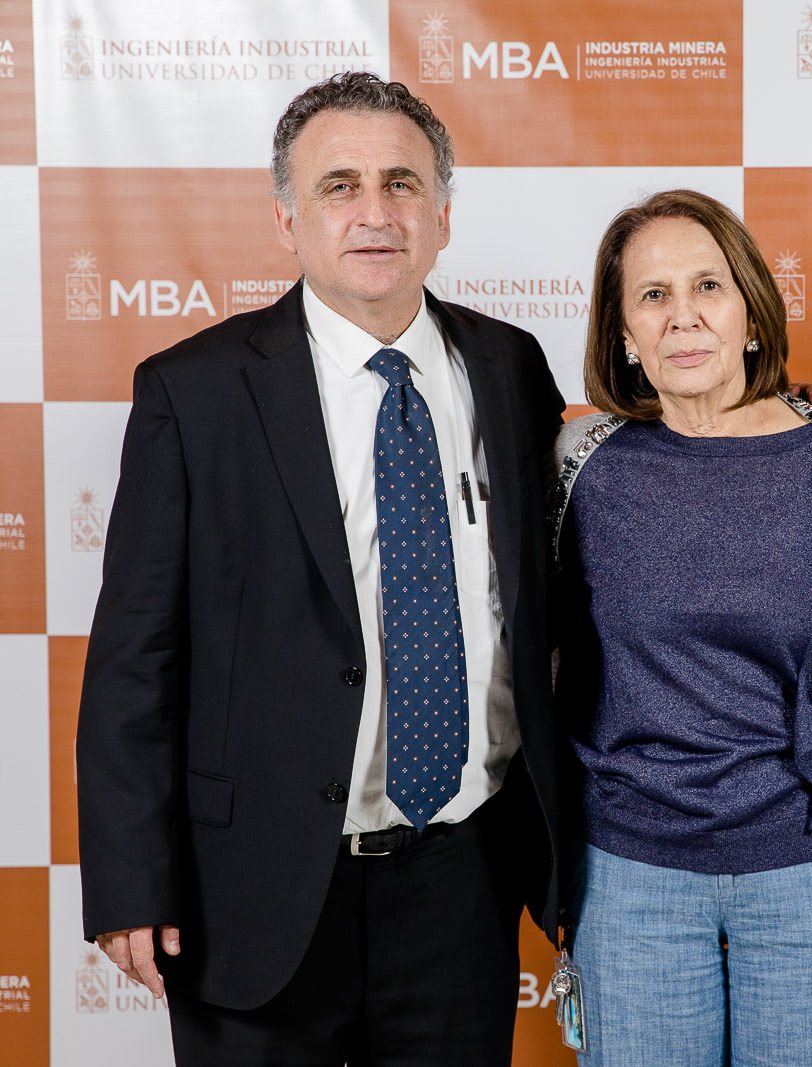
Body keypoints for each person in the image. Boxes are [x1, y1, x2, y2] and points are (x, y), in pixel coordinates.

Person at [75, 71, 566, 1066]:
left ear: (442, 215)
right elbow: (135, 655)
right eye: (339, 185)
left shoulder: (511, 368)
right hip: (250, 884)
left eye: (401, 183)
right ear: (286, 218)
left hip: (461, 875)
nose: (374, 212)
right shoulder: (194, 392)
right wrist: (130, 878)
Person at [548, 189, 812, 1066]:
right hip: (629, 875)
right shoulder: (580, 465)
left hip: (811, 870)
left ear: (750, 309)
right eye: (653, 295)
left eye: (708, 285)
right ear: (622, 333)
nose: (683, 316)